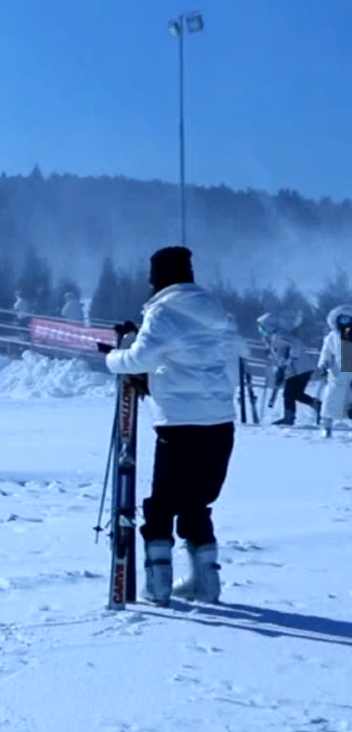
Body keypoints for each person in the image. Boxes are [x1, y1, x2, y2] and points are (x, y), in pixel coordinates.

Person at [97, 246, 239, 606]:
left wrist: (113, 357)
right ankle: (206, 583)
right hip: (220, 420)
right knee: (197, 501)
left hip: (179, 421)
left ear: (159, 277)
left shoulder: (163, 312)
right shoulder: (213, 309)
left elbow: (141, 357)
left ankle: (157, 584)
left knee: (162, 502)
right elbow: (192, 355)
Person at [257, 311, 321, 426]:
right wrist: (280, 370)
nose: (260, 330)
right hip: (293, 370)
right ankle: (314, 405)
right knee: (295, 394)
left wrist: (292, 357)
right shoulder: (271, 339)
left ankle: (289, 417)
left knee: (290, 393)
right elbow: (280, 357)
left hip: (300, 368)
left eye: (261, 327)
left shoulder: (280, 335)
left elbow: (297, 344)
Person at [318, 305, 352, 433]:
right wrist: (324, 363)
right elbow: (326, 351)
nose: (346, 323)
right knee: (331, 399)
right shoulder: (332, 336)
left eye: (349, 320)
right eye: (343, 320)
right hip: (337, 373)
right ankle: (326, 425)